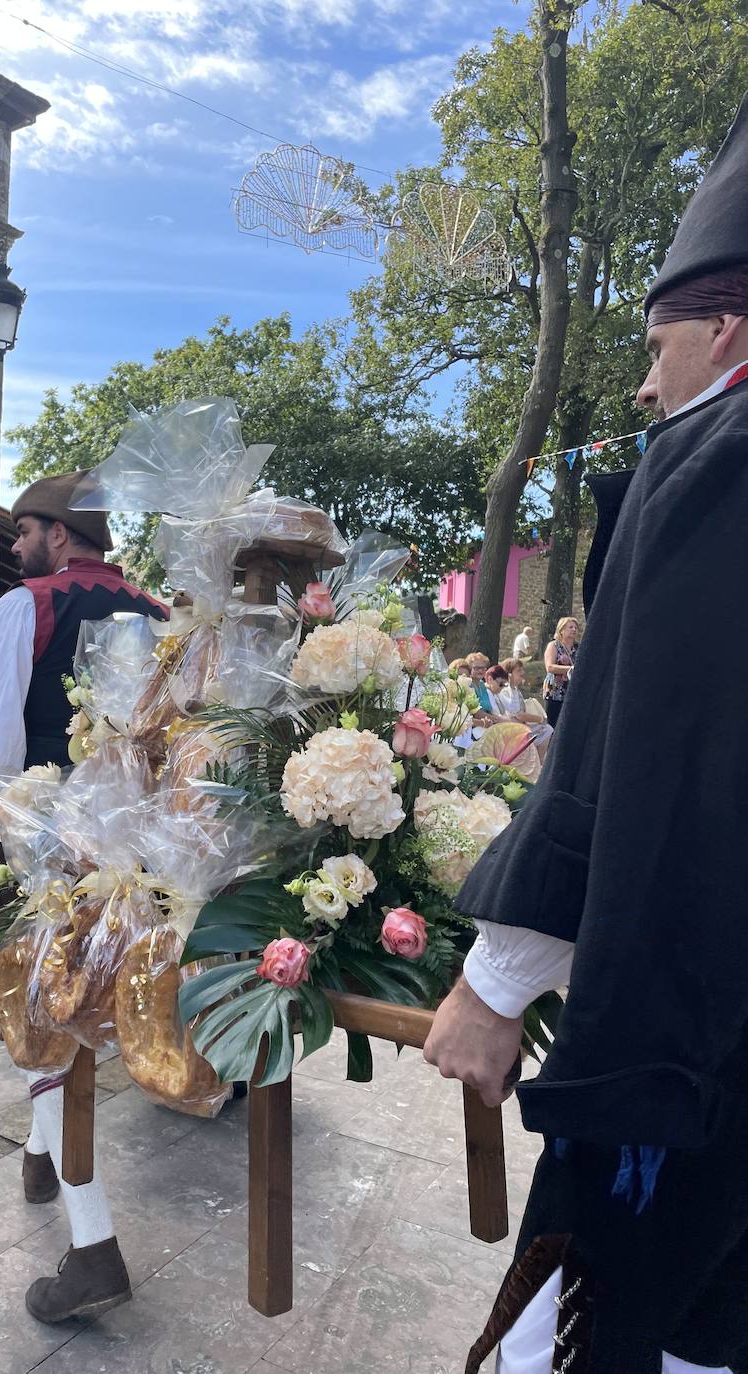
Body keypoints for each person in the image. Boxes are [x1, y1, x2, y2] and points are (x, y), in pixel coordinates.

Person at [425, 93, 748, 1374]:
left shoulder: (719, 450)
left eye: (653, 341)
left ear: (722, 325)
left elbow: (654, 760)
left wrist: (494, 978)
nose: (639, 377)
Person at [0, 471, 168, 1325]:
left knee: (43, 1022)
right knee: (79, 1018)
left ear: (61, 537)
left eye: (27, 529)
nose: (18, 544)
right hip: (141, 854)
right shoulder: (161, 614)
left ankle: (95, 1241)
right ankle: (39, 1155)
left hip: (49, 851)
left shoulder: (28, 605)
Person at [485, 661, 553, 760]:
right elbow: (516, 713)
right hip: (509, 727)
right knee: (546, 729)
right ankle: (538, 763)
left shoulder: (512, 689)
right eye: (518, 670)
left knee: (547, 729)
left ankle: (538, 763)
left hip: (516, 725)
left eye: (522, 670)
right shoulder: (504, 690)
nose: (522, 673)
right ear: (509, 674)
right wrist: (539, 718)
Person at [542, 616, 579, 728]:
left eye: (575, 628)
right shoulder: (554, 646)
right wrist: (571, 669)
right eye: (570, 627)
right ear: (561, 630)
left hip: (572, 692)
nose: (574, 629)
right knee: (553, 724)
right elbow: (550, 667)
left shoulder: (578, 648)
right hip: (555, 692)